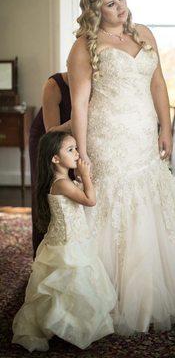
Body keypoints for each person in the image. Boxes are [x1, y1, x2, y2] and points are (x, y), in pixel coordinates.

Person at [67, 0, 175, 336]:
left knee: (154, 205)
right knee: (115, 210)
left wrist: (166, 129)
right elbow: (79, 105)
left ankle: (154, 293)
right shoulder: (84, 47)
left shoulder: (144, 34)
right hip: (108, 138)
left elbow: (158, 83)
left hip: (143, 136)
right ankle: (112, 297)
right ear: (95, 10)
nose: (122, 8)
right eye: (111, 4)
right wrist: (83, 155)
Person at [12, 131, 117, 352]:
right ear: (55, 158)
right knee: (67, 283)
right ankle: (64, 324)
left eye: (76, 148)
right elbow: (90, 200)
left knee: (76, 285)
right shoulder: (61, 184)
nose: (77, 154)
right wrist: (86, 176)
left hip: (75, 241)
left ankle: (74, 322)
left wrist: (79, 177)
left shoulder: (64, 181)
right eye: (71, 150)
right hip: (68, 246)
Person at [29, 73, 71, 256]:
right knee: (46, 190)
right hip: (46, 140)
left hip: (72, 141)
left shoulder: (97, 81)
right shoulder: (54, 85)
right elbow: (51, 134)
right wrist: (78, 120)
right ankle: (41, 255)